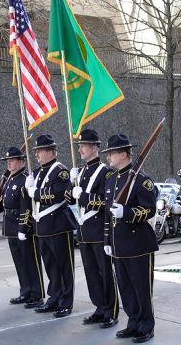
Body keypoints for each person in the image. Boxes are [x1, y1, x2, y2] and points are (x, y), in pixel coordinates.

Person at [102, 134, 158, 343]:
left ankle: (146, 326)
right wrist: (107, 241)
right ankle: (133, 323)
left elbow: (149, 210)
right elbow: (108, 213)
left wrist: (126, 213)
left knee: (141, 288)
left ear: (124, 154)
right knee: (125, 288)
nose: (108, 157)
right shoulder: (110, 179)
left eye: (112, 153)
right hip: (118, 245)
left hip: (138, 244)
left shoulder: (142, 180)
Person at [65, 129, 119, 328]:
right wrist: (71, 182)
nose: (79, 149)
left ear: (95, 147)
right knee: (90, 273)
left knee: (104, 272)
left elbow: (107, 203)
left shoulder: (106, 172)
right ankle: (99, 308)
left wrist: (84, 196)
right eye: (79, 146)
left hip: (98, 230)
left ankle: (111, 312)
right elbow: (68, 198)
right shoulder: (82, 172)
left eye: (83, 145)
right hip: (84, 231)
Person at [0, 147, 45, 308]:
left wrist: (23, 228)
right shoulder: (10, 179)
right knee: (19, 262)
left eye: (12, 161)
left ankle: (37, 295)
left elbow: (26, 206)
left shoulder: (25, 179)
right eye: (7, 161)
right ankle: (25, 291)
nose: (9, 164)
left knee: (30, 262)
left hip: (22, 227)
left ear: (21, 162)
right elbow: (6, 202)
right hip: (11, 226)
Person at [25, 134, 76, 318]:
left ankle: (66, 302)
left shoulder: (60, 171)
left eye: (39, 151)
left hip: (58, 225)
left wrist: (35, 192)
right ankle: (54, 298)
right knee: (50, 266)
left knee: (64, 267)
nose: (37, 155)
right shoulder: (38, 172)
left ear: (50, 152)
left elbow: (58, 194)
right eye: (36, 151)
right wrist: (30, 187)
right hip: (43, 226)